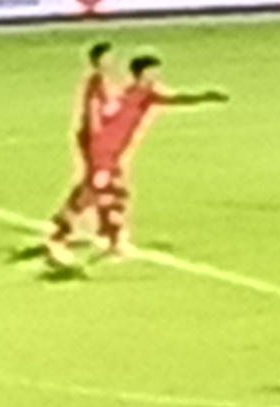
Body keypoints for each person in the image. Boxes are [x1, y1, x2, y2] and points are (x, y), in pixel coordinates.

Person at [45, 53, 228, 265]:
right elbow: (98, 121)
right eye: (152, 71)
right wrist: (93, 148)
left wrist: (205, 97)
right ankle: (60, 237)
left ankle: (110, 239)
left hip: (111, 155)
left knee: (111, 194)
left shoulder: (141, 95)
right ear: (141, 73)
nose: (156, 75)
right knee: (96, 194)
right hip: (102, 154)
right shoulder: (128, 96)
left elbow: (175, 99)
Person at [72, 41, 117, 170]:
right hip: (91, 132)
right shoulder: (96, 79)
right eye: (107, 57)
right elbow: (94, 105)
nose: (111, 60)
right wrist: (97, 133)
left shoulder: (101, 78)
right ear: (99, 60)